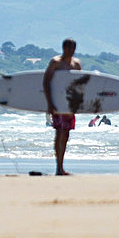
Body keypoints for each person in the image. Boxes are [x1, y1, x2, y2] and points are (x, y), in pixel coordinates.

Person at [43, 38, 81, 175]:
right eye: (69, 48)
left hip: (69, 105)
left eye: (73, 48)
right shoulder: (55, 62)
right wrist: (49, 103)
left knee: (66, 134)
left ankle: (61, 167)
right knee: (59, 132)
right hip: (57, 103)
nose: (71, 51)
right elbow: (46, 82)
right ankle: (58, 167)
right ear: (64, 48)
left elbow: (78, 86)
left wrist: (78, 104)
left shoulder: (76, 64)